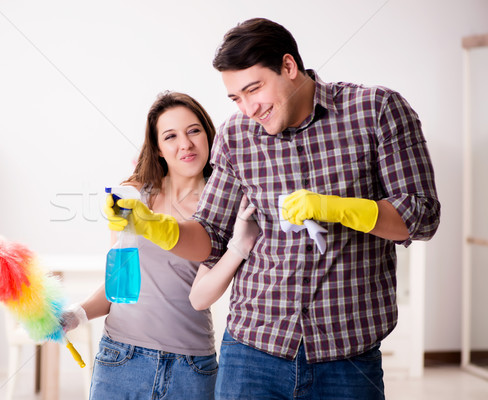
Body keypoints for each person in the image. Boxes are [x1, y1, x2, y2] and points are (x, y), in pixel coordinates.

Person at [107, 18, 441, 399]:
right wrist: (156, 227)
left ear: (288, 66)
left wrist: (340, 209)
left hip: (348, 355)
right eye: (236, 98)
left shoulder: (376, 111)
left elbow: (422, 215)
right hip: (251, 353)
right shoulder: (236, 137)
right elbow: (211, 237)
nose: (248, 109)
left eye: (254, 90)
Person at [63, 91, 255, 400]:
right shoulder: (133, 197)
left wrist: (239, 246)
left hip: (191, 368)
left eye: (194, 131)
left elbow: (206, 294)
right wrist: (77, 314)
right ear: (159, 149)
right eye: (170, 136)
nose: (185, 144)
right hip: (120, 359)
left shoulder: (225, 206)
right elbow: (119, 283)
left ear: (209, 135)